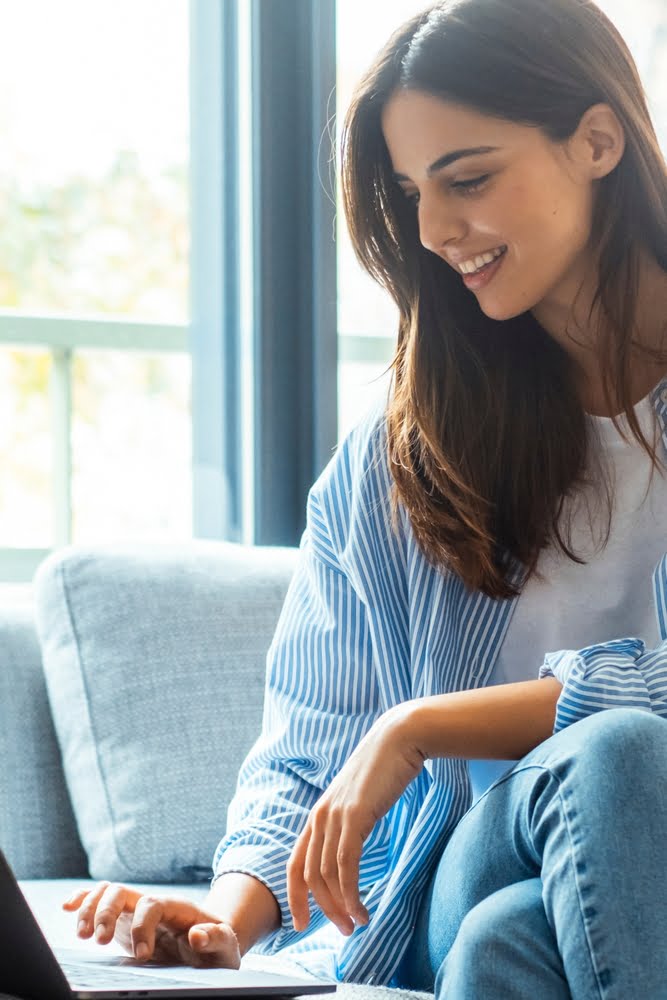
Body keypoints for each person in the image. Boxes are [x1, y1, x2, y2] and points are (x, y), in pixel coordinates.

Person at [64, 0, 667, 994]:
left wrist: (424, 722)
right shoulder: (404, 452)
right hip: (468, 865)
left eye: (467, 179)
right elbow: (314, 733)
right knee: (602, 763)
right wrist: (230, 913)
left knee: (508, 940)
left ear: (597, 140)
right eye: (411, 192)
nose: (432, 230)